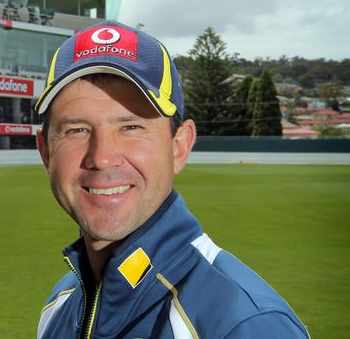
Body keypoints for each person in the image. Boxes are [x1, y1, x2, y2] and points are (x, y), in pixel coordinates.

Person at [34, 21, 309, 339]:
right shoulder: (61, 304)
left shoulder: (246, 324)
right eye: (76, 130)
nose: (102, 157)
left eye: (131, 127)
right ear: (46, 152)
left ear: (179, 147)